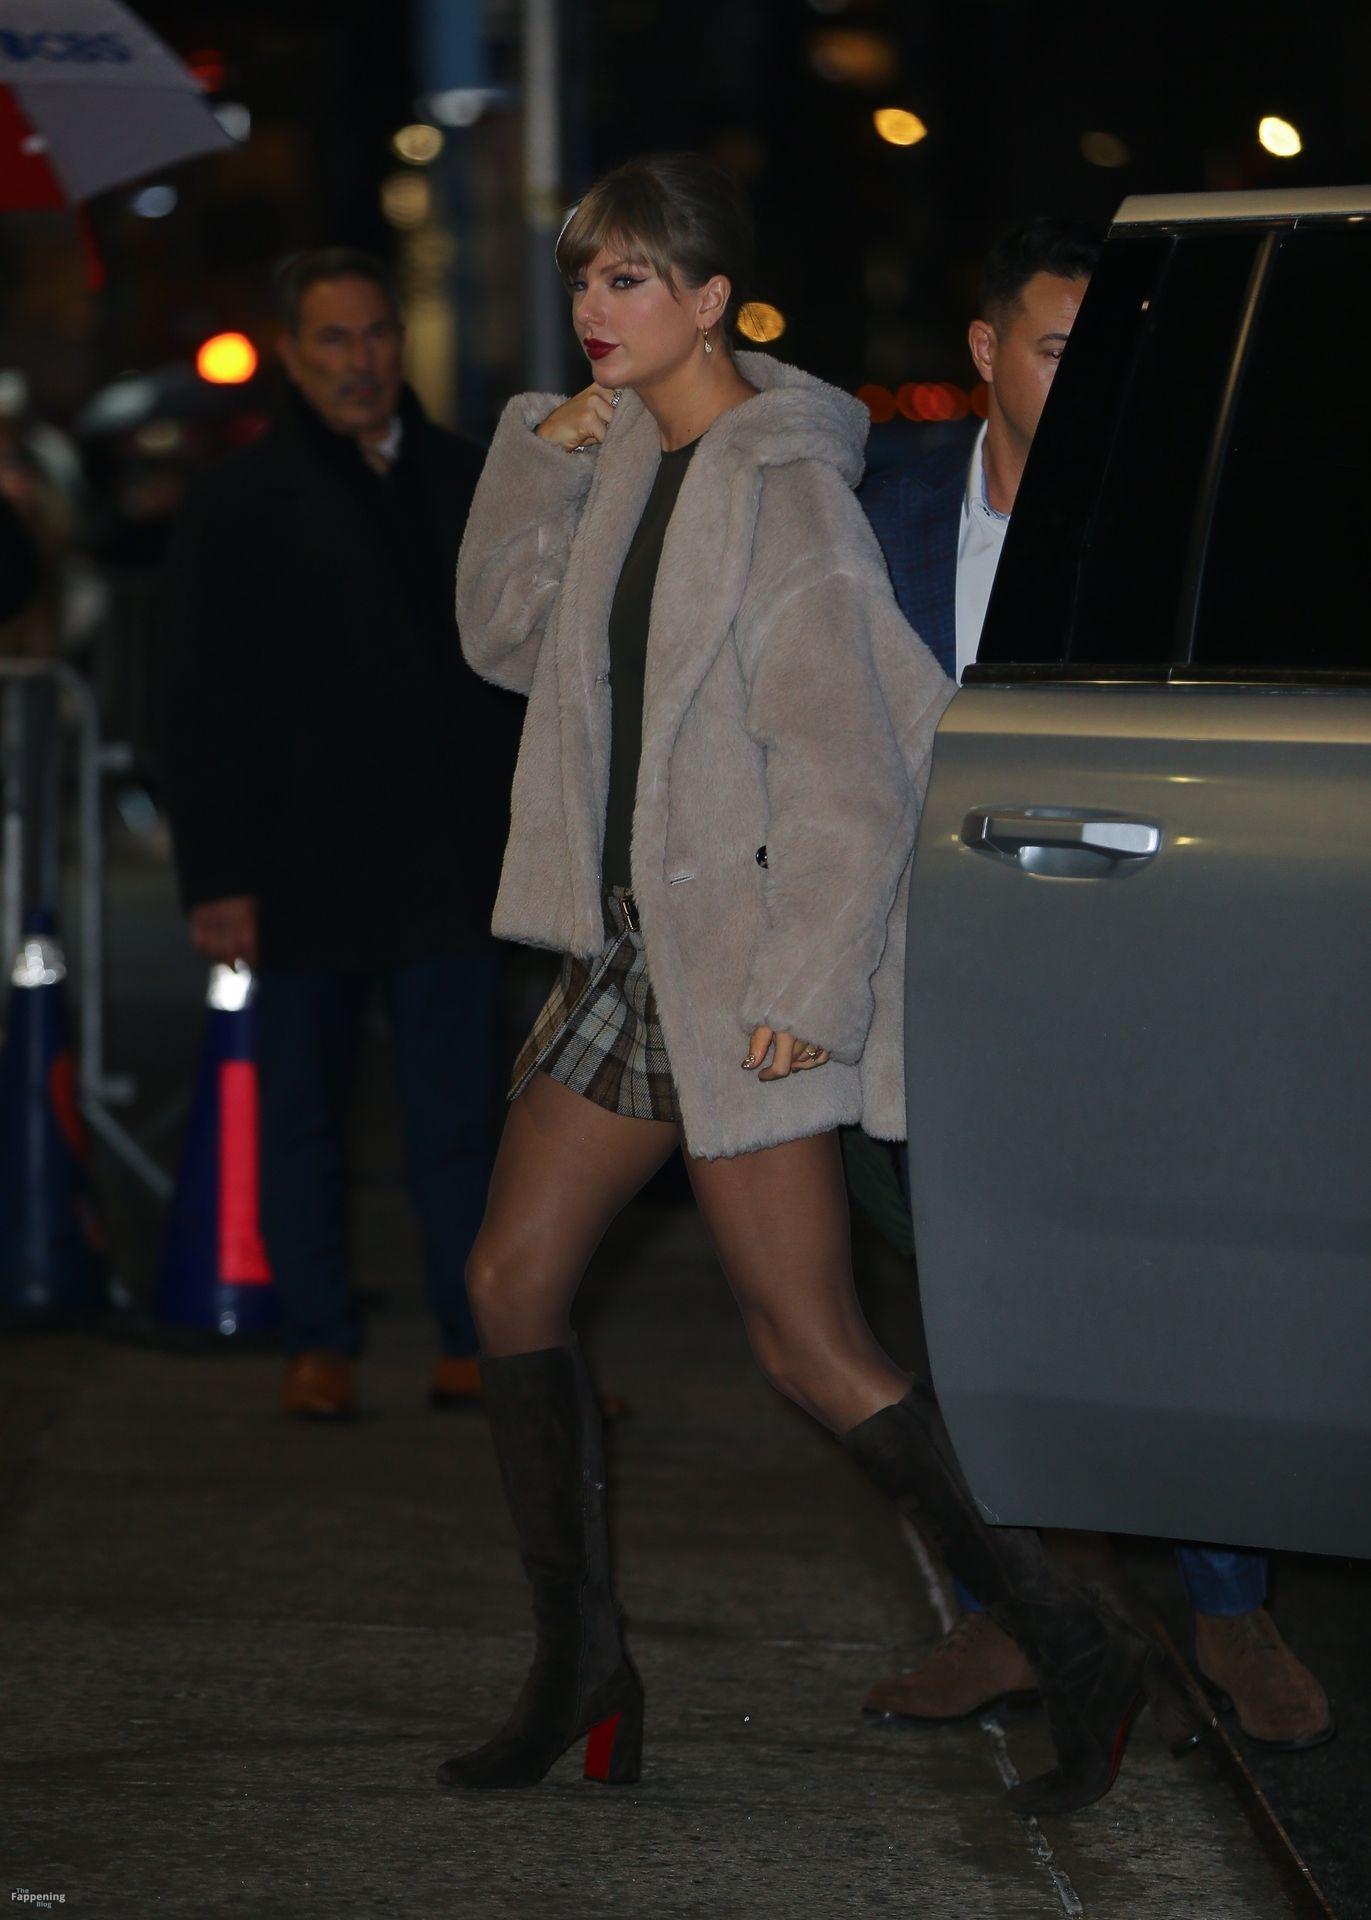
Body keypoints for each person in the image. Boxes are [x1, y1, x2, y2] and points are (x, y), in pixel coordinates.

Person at [437, 154, 1192, 1817]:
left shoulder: (783, 496)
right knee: (508, 1281)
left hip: (738, 963)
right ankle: (581, 1664)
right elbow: (499, 638)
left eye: (629, 280)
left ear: (710, 300)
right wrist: (541, 456)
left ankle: (1074, 1637)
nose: (592, 312)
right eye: (583, 280)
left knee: (809, 1346)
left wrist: (808, 986)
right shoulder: (621, 462)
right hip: (627, 946)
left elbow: (854, 772)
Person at [859, 216, 1332, 1753]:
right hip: (939, 957)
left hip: (1136, 944)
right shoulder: (881, 504)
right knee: (966, 1296)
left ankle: (1224, 1605)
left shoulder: (1177, 506)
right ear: (983, 351)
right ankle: (1010, 1612)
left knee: (1177, 1272)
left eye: (1104, 356)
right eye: (1057, 351)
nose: (1086, 386)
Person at [163, 249, 521, 1420]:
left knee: (457, 1115)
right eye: (333, 337)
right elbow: (197, 701)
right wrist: (218, 875)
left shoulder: (466, 477)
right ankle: (318, 1337)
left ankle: (472, 1335)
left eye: (375, 334)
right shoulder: (236, 500)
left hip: (445, 858)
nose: (360, 360)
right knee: (301, 1114)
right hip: (297, 862)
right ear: (291, 351)